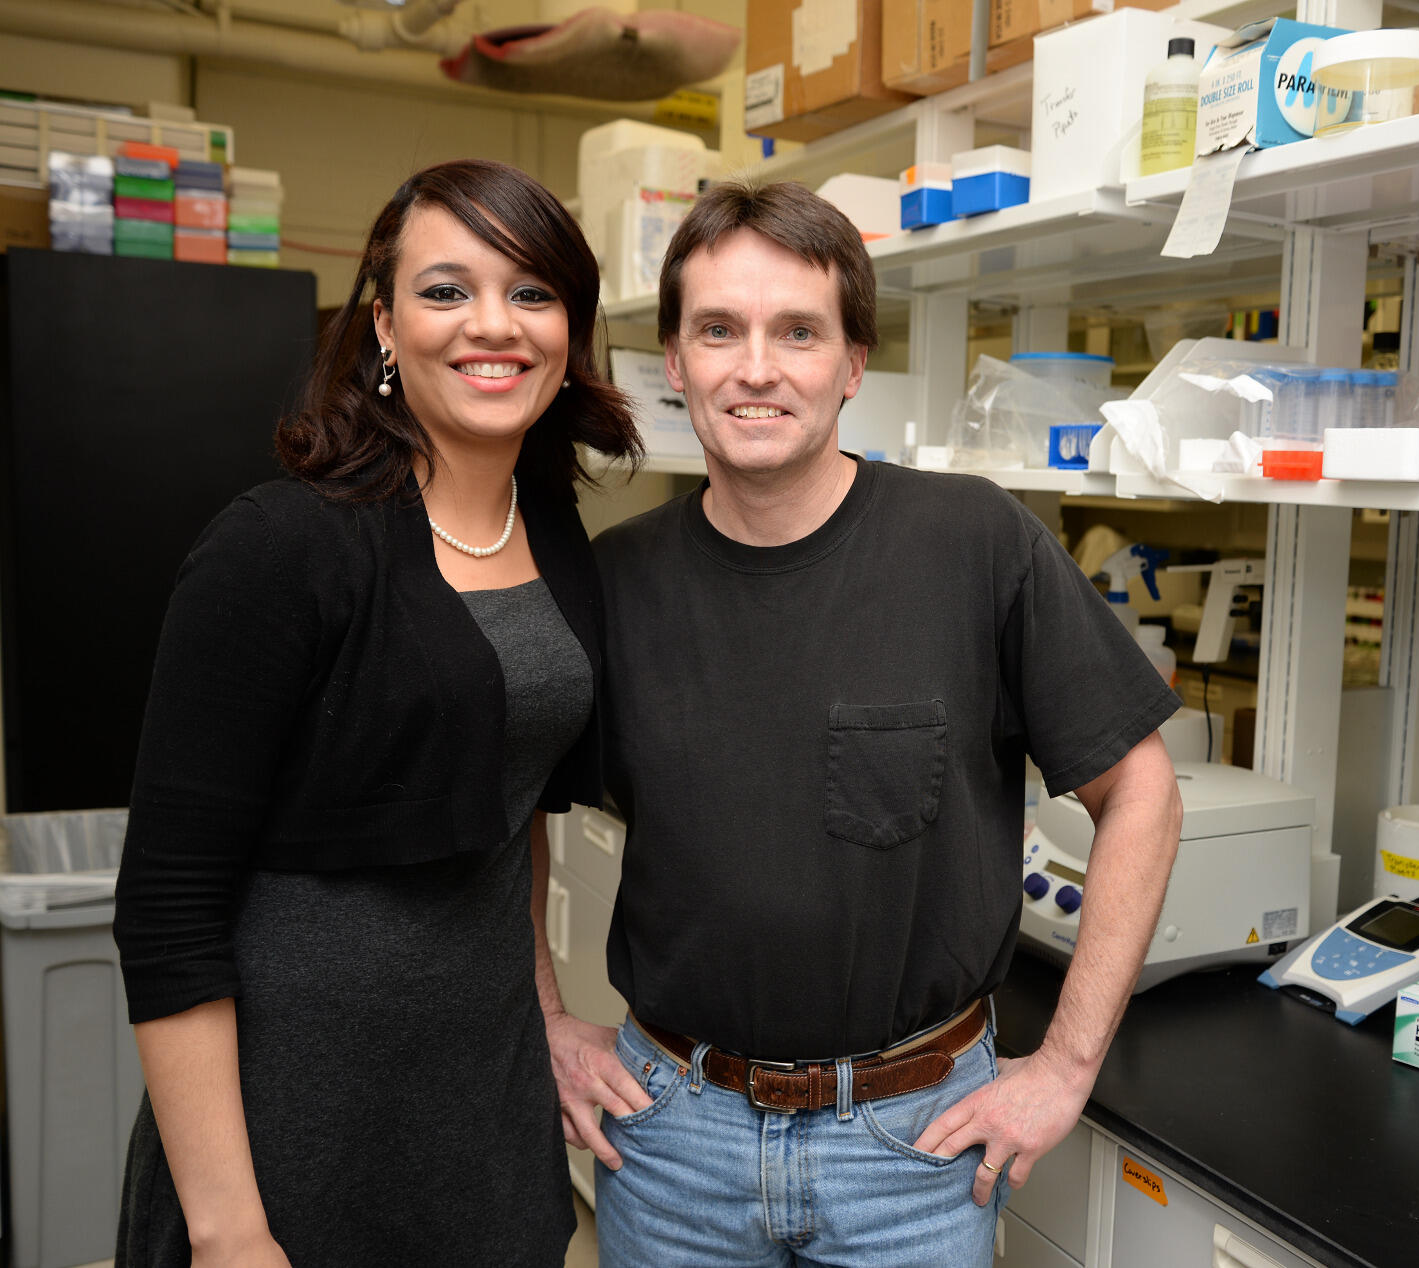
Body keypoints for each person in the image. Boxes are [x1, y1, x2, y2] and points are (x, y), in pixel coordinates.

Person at [562, 178, 1185, 1267]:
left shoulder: (973, 542)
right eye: (720, 329)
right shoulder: (612, 582)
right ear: (674, 361)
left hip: (913, 1148)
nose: (756, 367)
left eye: (798, 331)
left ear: (852, 365)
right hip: (672, 1144)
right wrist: (543, 1017)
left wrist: (1067, 1064)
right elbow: (503, 808)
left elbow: (1141, 788)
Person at [111, 158, 642, 1267]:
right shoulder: (280, 546)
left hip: (483, 1118)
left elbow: (513, 803)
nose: (493, 324)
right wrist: (227, 1229)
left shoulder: (552, 534)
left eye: (532, 291)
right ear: (385, 328)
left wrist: (543, 1009)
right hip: (293, 1127)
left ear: (569, 331)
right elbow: (166, 905)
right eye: (446, 289)